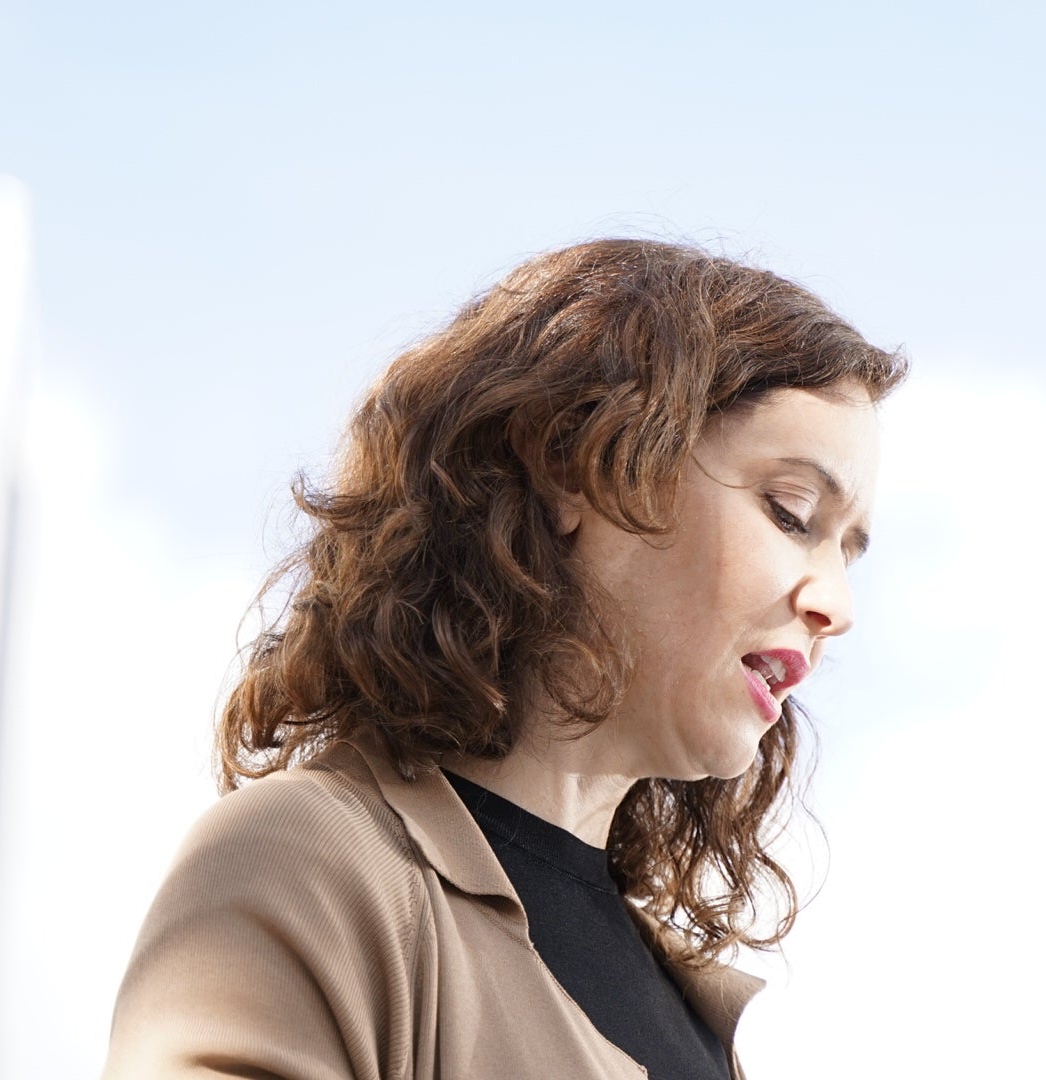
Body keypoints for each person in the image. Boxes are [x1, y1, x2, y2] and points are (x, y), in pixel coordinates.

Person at [101, 238, 906, 1079]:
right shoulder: (310, 861)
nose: (835, 606)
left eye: (850, 552)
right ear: (576, 467)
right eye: (791, 512)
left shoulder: (684, 1010)